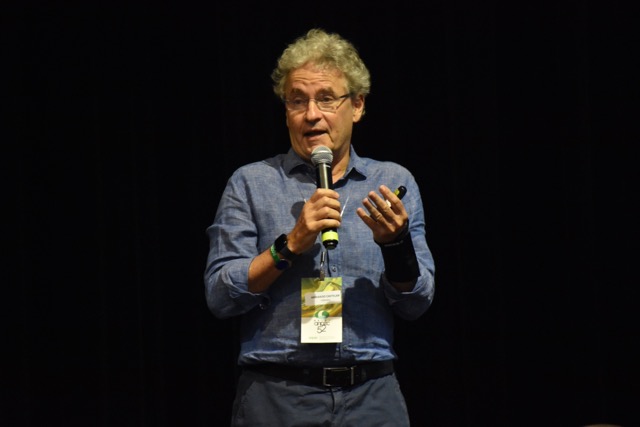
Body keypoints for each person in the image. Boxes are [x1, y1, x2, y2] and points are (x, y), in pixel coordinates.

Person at [204, 28, 435, 427]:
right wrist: (290, 245)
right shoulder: (251, 183)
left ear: (357, 106)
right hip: (277, 396)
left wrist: (394, 246)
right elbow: (221, 296)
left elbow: (417, 302)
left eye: (326, 98)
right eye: (297, 100)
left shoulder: (392, 182)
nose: (311, 114)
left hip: (371, 397)